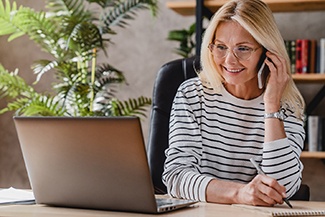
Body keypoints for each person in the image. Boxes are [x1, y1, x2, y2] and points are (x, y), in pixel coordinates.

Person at [162, 0, 305, 206]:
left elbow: (282, 188)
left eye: (243, 48)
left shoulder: (288, 105)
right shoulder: (192, 95)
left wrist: (272, 105)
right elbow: (176, 177)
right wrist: (239, 193)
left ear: (267, 53)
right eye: (221, 47)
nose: (229, 60)